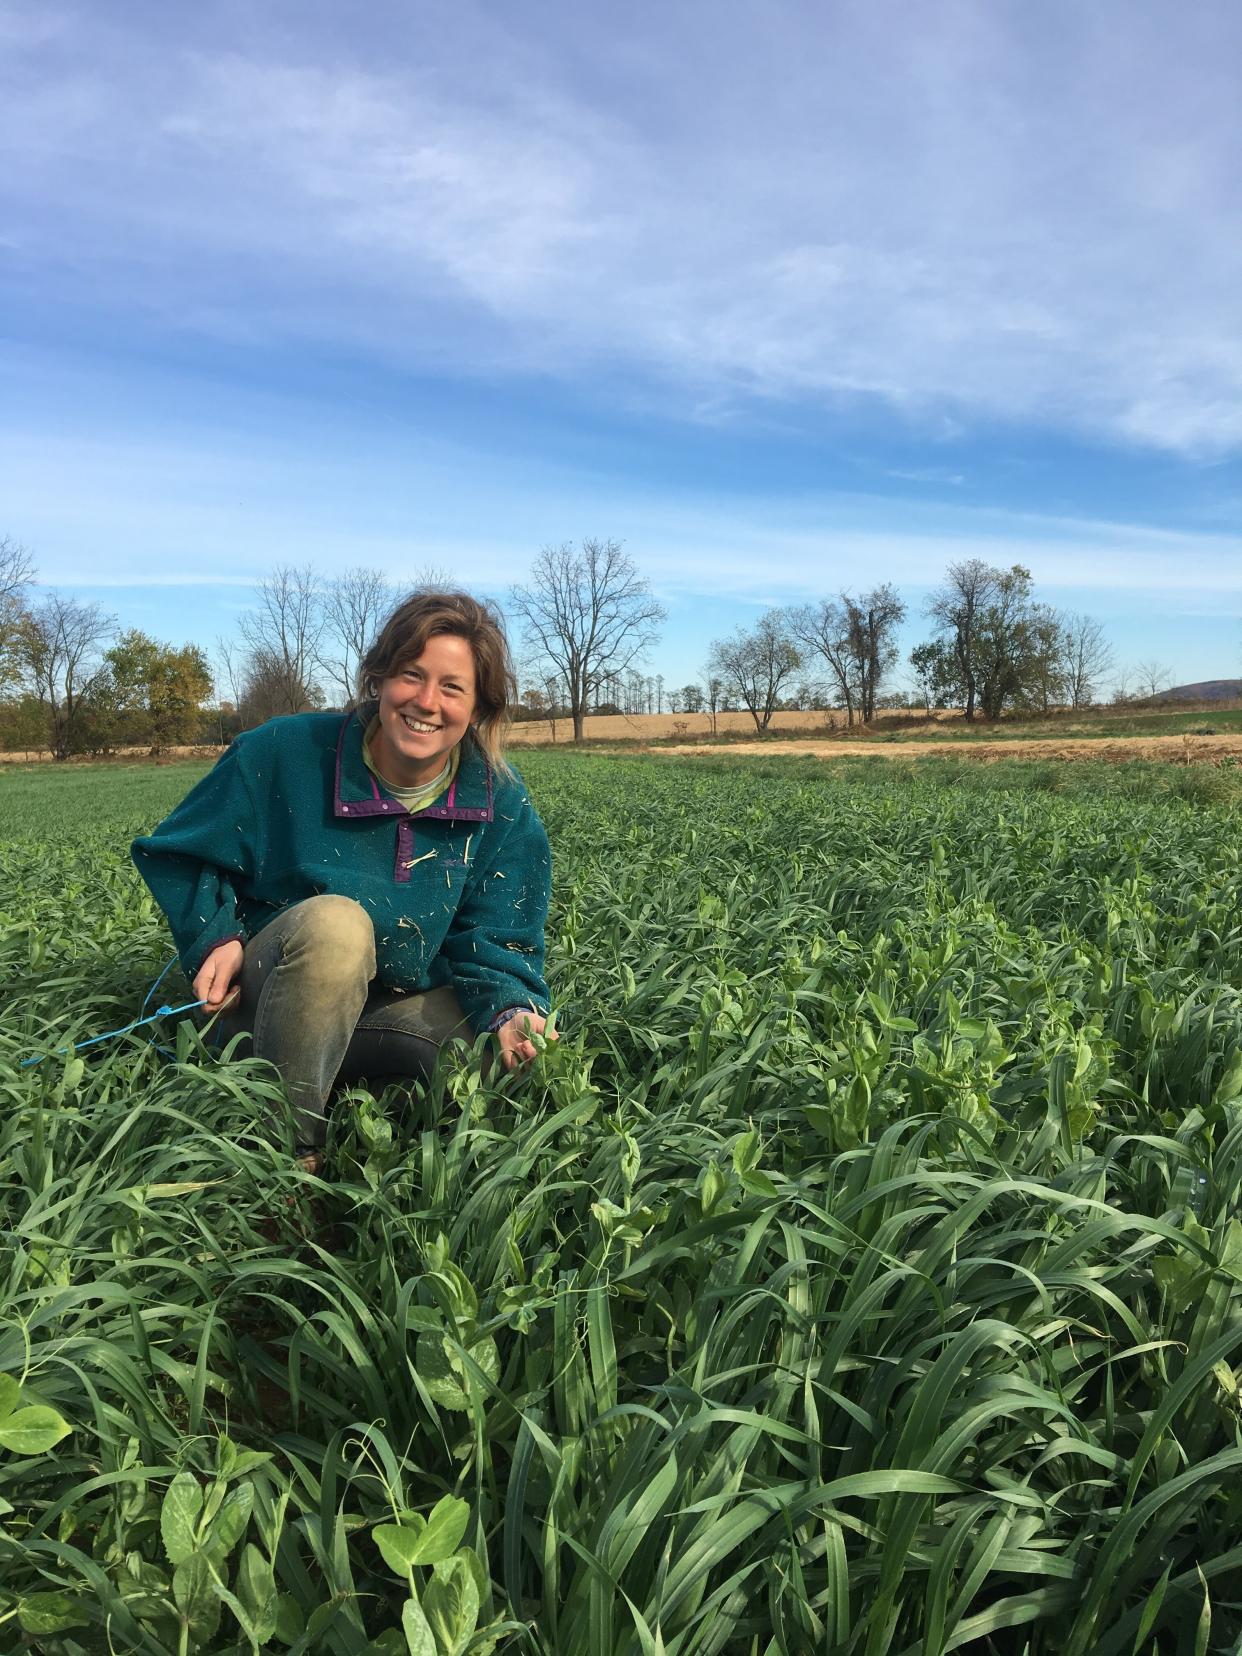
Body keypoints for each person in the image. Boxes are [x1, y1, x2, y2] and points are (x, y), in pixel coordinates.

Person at [132, 589, 554, 1167]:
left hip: (389, 1009)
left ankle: (354, 1096)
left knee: (504, 1054)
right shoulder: (284, 751)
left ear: (479, 709)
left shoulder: (498, 800)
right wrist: (216, 935)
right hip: (268, 999)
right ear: (379, 678)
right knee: (337, 926)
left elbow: (497, 935)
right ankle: (286, 1154)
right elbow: (180, 850)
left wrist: (511, 1010)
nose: (427, 702)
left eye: (452, 687)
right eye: (411, 674)